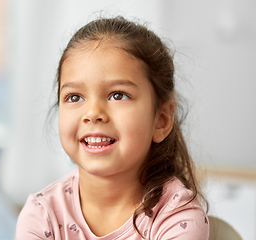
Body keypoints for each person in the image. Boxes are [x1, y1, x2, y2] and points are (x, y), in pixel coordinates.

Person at [15, 16, 209, 239]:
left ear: (161, 120)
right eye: (75, 97)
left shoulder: (178, 217)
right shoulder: (42, 215)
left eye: (118, 95)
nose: (93, 113)